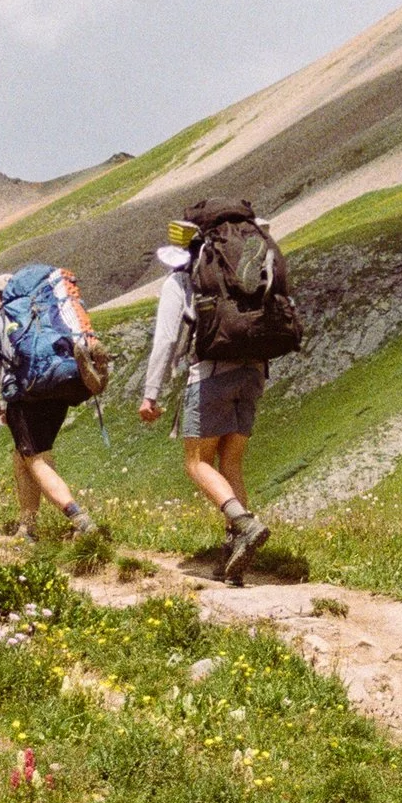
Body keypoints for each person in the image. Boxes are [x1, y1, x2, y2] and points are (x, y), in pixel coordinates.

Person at [139, 213, 274, 584]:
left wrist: (151, 393)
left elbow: (166, 340)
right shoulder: (248, 275)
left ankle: (244, 525)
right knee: (230, 464)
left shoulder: (182, 280)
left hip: (211, 373)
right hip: (254, 372)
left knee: (197, 462)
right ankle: (234, 557)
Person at [0, 269, 100, 541]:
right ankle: (27, 527)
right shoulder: (46, 313)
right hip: (58, 387)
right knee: (24, 456)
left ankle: (80, 520)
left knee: (35, 459)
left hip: (24, 395)